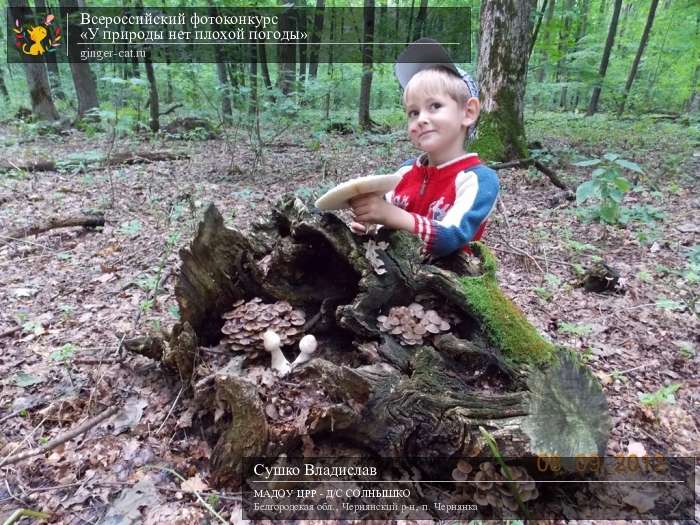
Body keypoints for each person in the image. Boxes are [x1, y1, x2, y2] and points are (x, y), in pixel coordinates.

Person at [349, 38, 499, 258]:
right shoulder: (405, 173)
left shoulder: (479, 179)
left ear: (468, 112)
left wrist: (390, 215)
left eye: (435, 106)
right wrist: (374, 225)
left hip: (446, 286)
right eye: (413, 112)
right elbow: (388, 221)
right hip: (392, 277)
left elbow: (451, 237)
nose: (421, 119)